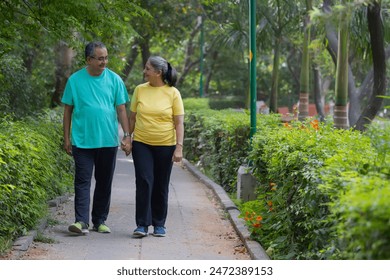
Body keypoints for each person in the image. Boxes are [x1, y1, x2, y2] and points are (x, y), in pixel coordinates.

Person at [62, 41, 131, 235]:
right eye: (100, 58)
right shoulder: (75, 80)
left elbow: (121, 109)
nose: (104, 62)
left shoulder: (115, 79)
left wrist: (127, 136)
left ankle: (99, 221)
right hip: (82, 141)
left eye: (106, 58)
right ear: (89, 59)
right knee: (82, 181)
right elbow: (68, 111)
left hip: (107, 140)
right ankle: (80, 221)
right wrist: (66, 138)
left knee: (104, 182)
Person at [123, 56, 184, 238]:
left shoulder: (173, 93)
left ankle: (159, 224)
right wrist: (128, 138)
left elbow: (179, 123)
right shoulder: (140, 90)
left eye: (148, 69)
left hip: (166, 144)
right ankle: (142, 224)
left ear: (158, 72)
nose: (145, 71)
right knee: (144, 180)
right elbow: (132, 117)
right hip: (142, 143)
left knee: (160, 183)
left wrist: (179, 147)